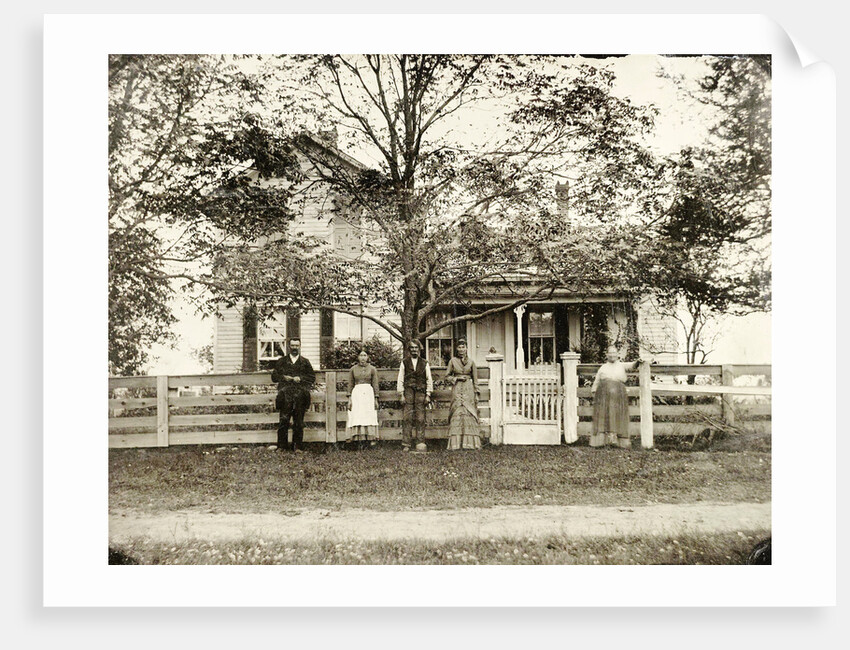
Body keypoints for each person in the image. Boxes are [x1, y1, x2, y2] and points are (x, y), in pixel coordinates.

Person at [590, 345, 643, 449]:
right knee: (605, 416)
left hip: (619, 395)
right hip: (604, 395)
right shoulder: (603, 367)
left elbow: (632, 365)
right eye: (610, 353)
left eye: (614, 353)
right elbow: (597, 380)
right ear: (607, 355)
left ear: (617, 354)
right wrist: (593, 390)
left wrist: (637, 362)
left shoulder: (621, 365)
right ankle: (603, 441)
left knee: (617, 415)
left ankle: (619, 441)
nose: (612, 355)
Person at [271, 338, 316, 452]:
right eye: (292, 345)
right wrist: (284, 377)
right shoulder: (282, 361)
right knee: (284, 420)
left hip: (300, 395)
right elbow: (274, 377)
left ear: (300, 346)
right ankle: (282, 446)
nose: (294, 348)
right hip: (285, 395)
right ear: (288, 346)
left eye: (297, 345)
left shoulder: (305, 362)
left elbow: (312, 377)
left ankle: (298, 447)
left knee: (299, 422)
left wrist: (300, 378)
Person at [445, 338, 482, 450]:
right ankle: (456, 444)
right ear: (456, 349)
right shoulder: (452, 361)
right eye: (459, 347)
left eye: (463, 347)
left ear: (466, 348)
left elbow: (475, 380)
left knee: (469, 413)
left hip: (468, 390)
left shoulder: (471, 362)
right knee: (457, 412)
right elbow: (446, 377)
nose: (461, 349)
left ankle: (470, 444)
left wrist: (476, 393)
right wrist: (455, 378)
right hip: (457, 389)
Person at [396, 340, 433, 452]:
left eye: (416, 347)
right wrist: (401, 394)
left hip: (421, 392)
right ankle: (406, 443)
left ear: (419, 349)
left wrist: (428, 394)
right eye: (412, 348)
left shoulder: (424, 363)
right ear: (409, 350)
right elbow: (400, 379)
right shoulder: (404, 362)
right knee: (407, 417)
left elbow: (429, 379)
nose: (414, 350)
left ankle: (420, 442)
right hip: (408, 392)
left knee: (420, 418)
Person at [345, 350, 380, 450]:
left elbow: (375, 384)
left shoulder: (372, 369)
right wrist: (349, 399)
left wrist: (376, 399)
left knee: (368, 415)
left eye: (365, 355)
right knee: (357, 414)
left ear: (368, 357)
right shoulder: (353, 369)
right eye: (361, 355)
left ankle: (369, 440)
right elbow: (350, 384)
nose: (363, 358)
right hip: (357, 394)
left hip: (369, 394)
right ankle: (357, 440)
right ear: (358, 357)